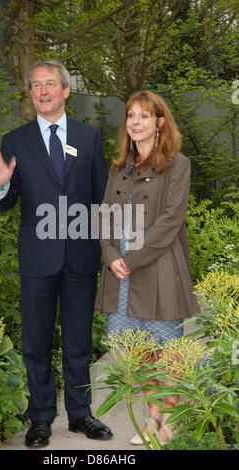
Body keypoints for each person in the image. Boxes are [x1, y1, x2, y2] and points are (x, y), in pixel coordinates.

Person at [0, 59, 112, 447]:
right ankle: (41, 417)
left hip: (80, 256)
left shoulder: (89, 137)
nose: (43, 90)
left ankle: (80, 414)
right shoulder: (16, 140)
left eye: (50, 84)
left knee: (77, 340)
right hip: (37, 259)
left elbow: (100, 198)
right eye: (36, 85)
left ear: (65, 91)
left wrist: (110, 249)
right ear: (32, 93)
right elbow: (5, 206)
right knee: (35, 341)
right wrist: (1, 186)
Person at [95, 90, 200, 445]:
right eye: (130, 116)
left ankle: (167, 425)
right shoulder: (119, 167)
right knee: (135, 349)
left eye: (143, 116)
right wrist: (111, 256)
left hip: (157, 270)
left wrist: (132, 259)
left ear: (159, 123)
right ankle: (153, 419)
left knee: (165, 349)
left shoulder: (177, 164)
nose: (135, 122)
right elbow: (106, 216)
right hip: (120, 273)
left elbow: (171, 221)